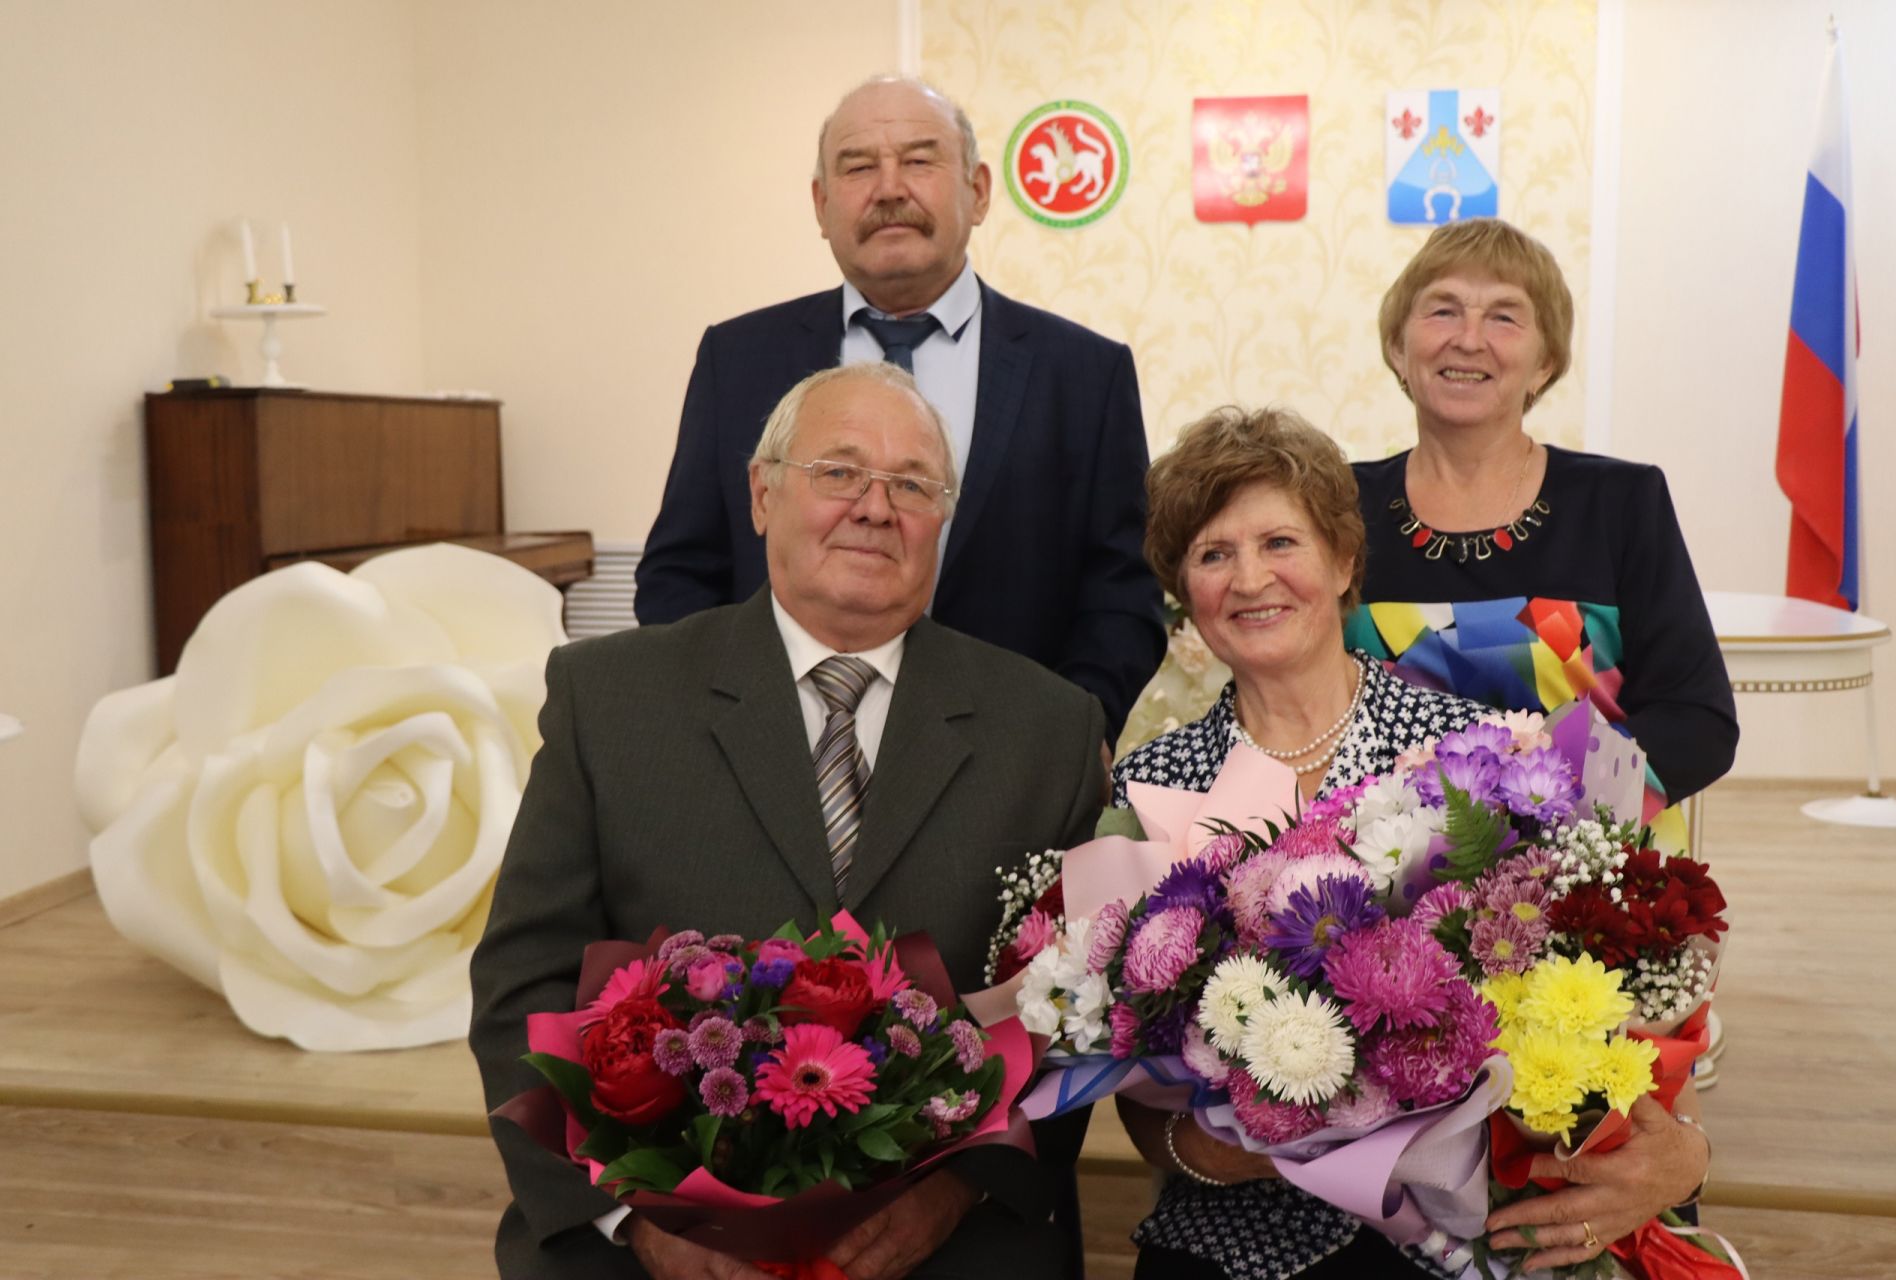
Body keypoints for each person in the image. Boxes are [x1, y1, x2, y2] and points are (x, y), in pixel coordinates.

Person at [471, 363, 1106, 1279]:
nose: (875, 508)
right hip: (650, 1238)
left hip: (943, 1242)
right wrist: (633, 1223)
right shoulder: (608, 698)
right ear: (763, 494)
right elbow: (521, 986)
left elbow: (1077, 1011)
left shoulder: (1048, 727)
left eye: (912, 485)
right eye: (839, 471)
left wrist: (956, 1193)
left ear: (943, 519)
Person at [631, 75, 1164, 744]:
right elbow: (680, 576)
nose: (889, 189)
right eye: (858, 167)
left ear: (977, 191)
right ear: (821, 205)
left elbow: (1122, 594)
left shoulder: (1084, 373)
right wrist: (723, 730)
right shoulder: (738, 359)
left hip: (1009, 759)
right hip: (770, 754)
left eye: (918, 160)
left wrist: (1060, 741)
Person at [1107, 405, 1506, 1278]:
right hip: (1226, 1239)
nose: (1250, 579)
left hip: (1436, 1238)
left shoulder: (1464, 748)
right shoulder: (1150, 781)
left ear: (1343, 560)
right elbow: (1127, 1053)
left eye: (1280, 542)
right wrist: (1194, 1150)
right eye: (1213, 555)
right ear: (1184, 590)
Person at [1347, 217, 1737, 812]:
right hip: (1385, 854)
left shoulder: (1622, 501)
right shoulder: (1339, 508)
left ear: (1545, 363)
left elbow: (1696, 720)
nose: (1469, 339)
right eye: (1443, 311)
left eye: (1504, 317)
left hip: (1591, 850)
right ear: (1399, 348)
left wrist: (1536, 812)